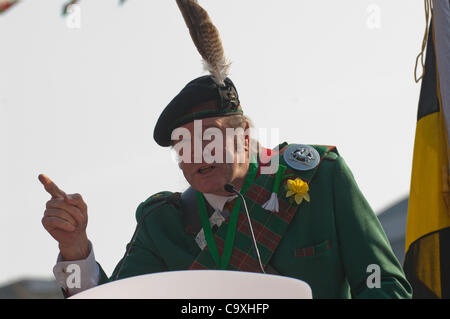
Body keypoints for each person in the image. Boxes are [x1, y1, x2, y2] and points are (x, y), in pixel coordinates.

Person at [39, 0, 412, 299]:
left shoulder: (321, 177)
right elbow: (113, 299)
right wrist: (75, 249)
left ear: (246, 134)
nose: (198, 154)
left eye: (209, 137)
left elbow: (382, 284)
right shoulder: (161, 225)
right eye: (182, 145)